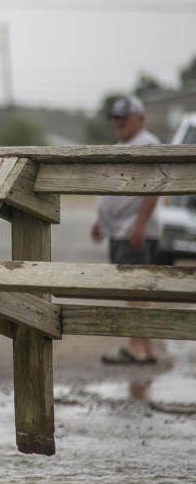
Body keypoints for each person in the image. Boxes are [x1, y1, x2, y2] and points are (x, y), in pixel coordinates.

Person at [91, 95, 161, 365]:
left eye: (125, 117)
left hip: (134, 229)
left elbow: (154, 187)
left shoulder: (147, 144)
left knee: (135, 289)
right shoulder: (124, 144)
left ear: (140, 119)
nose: (119, 122)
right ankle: (148, 348)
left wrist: (140, 224)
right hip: (120, 229)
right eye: (116, 118)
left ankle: (137, 349)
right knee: (136, 289)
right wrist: (101, 220)